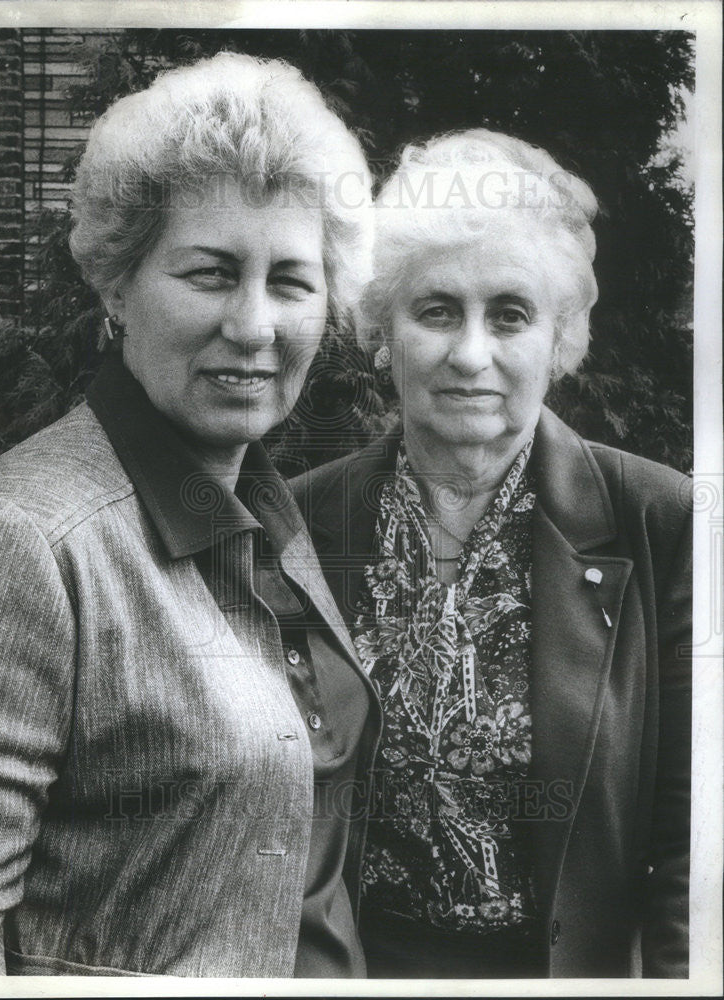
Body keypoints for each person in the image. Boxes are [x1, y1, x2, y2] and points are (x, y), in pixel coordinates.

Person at [0, 52, 382, 978]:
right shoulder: (22, 537)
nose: (256, 324)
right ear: (117, 286)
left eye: (293, 283)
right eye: (211, 272)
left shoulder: (269, 509)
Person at [291, 130, 691, 978]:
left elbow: (692, 847)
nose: (471, 354)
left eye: (510, 314)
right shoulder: (304, 522)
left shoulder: (662, 522)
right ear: (381, 332)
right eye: (437, 310)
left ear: (559, 341)